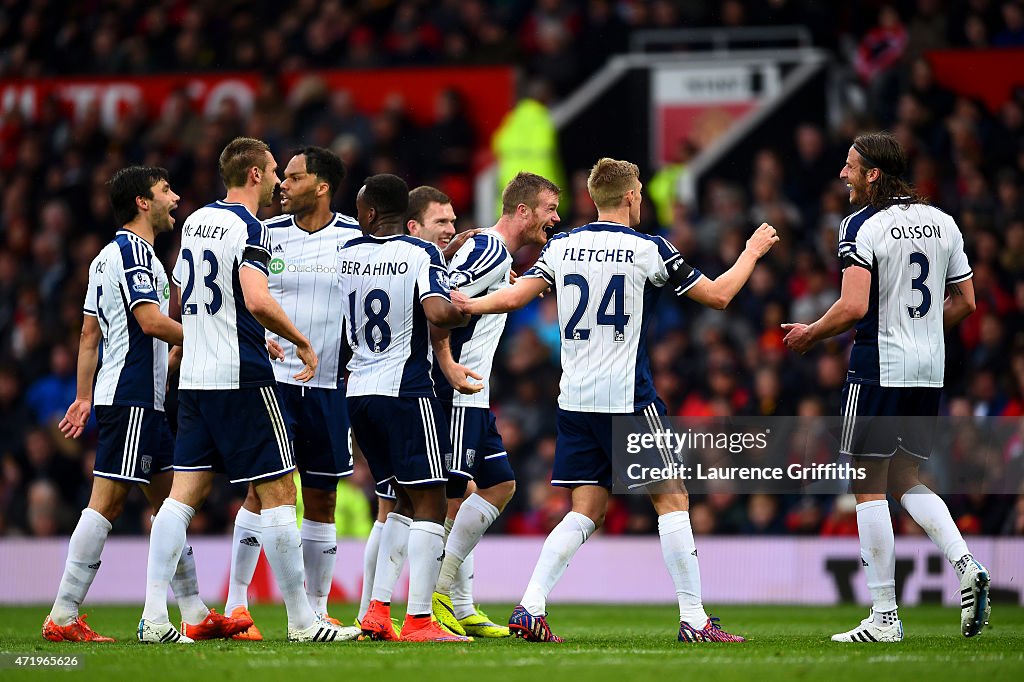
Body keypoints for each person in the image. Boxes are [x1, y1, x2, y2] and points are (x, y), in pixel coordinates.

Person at [452, 158, 778, 643]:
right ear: (629, 196)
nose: (642, 198)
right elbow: (719, 297)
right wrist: (751, 252)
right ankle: (694, 619)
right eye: (641, 191)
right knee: (673, 500)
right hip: (628, 399)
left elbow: (517, 295)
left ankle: (530, 605)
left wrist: (470, 303)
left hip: (576, 399)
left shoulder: (563, 245)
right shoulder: (648, 248)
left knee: (586, 507)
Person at [138, 137, 358, 644]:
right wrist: (299, 340)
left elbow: (185, 296)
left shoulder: (194, 221)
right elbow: (257, 299)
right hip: (244, 380)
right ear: (255, 175)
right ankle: (303, 622)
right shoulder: (252, 228)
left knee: (180, 498)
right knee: (280, 494)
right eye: (276, 170)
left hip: (196, 378)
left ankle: (154, 617)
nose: (280, 179)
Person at [782, 132, 989, 642]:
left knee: (867, 485)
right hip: (928, 367)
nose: (842, 175)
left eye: (850, 167)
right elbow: (966, 301)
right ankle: (965, 566)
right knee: (905, 476)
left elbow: (854, 307)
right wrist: (919, 332)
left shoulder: (860, 224)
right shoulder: (944, 221)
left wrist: (811, 333)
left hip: (878, 363)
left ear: (874, 173)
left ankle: (884, 617)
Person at [43, 166, 250, 642]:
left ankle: (194, 612)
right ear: (142, 201)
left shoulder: (108, 257)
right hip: (133, 399)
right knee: (107, 504)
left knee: (170, 506)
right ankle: (63, 614)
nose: (175, 198)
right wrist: (210, 339)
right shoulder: (136, 254)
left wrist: (81, 396)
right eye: (165, 191)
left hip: (142, 401)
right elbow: (152, 321)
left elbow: (89, 335)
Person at [224, 146, 361, 639]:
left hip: (327, 388)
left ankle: (318, 610)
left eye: (295, 177)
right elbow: (243, 297)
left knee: (322, 499)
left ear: (322, 186)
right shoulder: (264, 234)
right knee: (260, 495)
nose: (283, 183)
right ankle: (237, 606)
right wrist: (257, 336)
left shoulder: (354, 239)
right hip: (274, 384)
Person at [338, 173, 471, 643]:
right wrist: (466, 307)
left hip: (359, 393)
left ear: (371, 213)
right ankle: (418, 620)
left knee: (394, 500)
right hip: (405, 391)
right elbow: (437, 312)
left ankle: (375, 610)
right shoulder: (421, 254)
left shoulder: (348, 254)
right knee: (432, 502)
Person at [428, 174, 560, 639]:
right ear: (522, 211)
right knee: (452, 498)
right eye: (548, 208)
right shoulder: (491, 250)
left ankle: (459, 605)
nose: (555, 218)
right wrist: (446, 362)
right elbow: (440, 300)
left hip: (474, 394)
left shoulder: (492, 252)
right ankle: (434, 596)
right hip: (457, 389)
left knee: (498, 485)